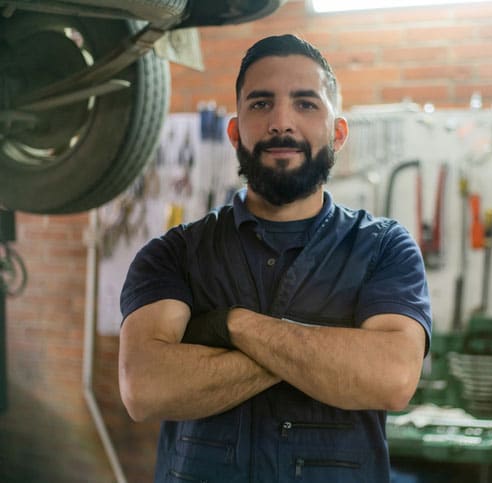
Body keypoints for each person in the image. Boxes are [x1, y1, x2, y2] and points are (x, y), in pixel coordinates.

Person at [118, 34, 432, 482]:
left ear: (338, 133)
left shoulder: (385, 248)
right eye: (261, 104)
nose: (281, 123)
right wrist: (328, 358)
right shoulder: (175, 254)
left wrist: (232, 326)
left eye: (306, 104)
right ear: (234, 131)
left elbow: (392, 378)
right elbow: (144, 388)